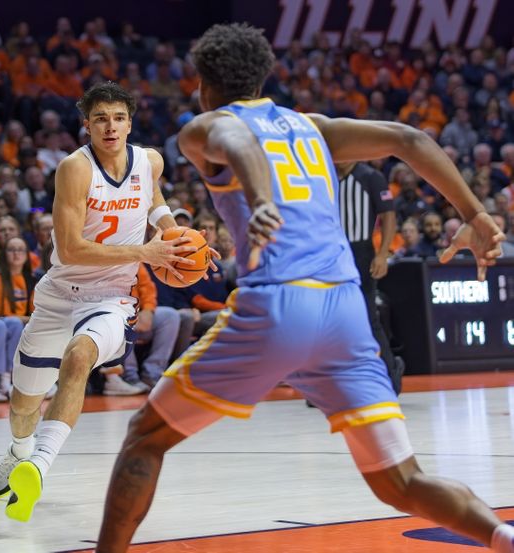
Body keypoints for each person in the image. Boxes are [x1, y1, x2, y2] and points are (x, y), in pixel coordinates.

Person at [96, 23, 509, 552]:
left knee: (145, 438)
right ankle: (502, 537)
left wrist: (260, 198)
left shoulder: (204, 127)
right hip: (344, 311)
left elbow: (236, 140)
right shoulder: (310, 125)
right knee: (400, 481)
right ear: (261, 78)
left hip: (278, 305)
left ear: (203, 83)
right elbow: (409, 139)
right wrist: (474, 214)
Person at [0, 81, 207, 522]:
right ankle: (20, 452)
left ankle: (37, 466)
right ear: (86, 125)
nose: (110, 127)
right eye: (101, 118)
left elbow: (154, 202)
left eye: (118, 118)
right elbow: (70, 249)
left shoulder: (150, 161)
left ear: (130, 123)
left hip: (110, 297)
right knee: (23, 403)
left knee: (79, 355)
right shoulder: (74, 168)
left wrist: (181, 240)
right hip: (58, 295)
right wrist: (146, 251)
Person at [335, 162, 402, 394]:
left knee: (368, 317)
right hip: (333, 253)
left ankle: (391, 377)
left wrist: (383, 254)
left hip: (361, 252)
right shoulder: (327, 175)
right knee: (332, 320)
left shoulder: (370, 176)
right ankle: (333, 383)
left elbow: (388, 216)